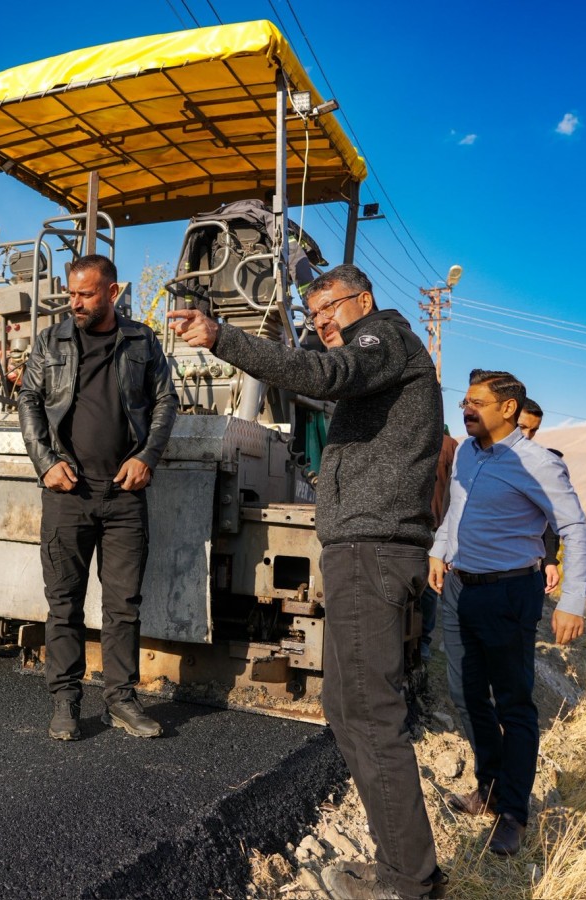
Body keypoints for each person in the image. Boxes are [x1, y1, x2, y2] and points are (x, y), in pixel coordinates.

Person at [170, 264, 445, 900]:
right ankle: (401, 868)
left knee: (373, 718)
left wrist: (222, 338)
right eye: (314, 314)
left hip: (374, 552)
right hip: (362, 549)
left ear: (365, 300)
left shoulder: (386, 340)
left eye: (331, 309)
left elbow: (325, 375)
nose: (322, 322)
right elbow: (325, 386)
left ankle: (411, 884)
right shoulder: (375, 360)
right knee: (349, 711)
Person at [429, 371, 586, 857]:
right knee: (465, 695)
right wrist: (440, 549)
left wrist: (571, 602)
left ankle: (514, 814)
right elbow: (456, 513)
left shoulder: (538, 463)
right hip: (459, 589)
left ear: (508, 409)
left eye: (477, 402)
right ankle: (490, 787)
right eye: (464, 400)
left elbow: (576, 529)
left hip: (509, 593)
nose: (466, 408)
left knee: (514, 705)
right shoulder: (464, 453)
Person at [17, 254, 177, 742]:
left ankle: (120, 700)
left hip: (124, 494)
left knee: (123, 604)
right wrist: (46, 464)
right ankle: (65, 701)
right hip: (68, 492)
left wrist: (147, 455)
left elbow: (166, 400)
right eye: (71, 294)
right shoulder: (52, 340)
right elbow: (28, 397)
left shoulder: (142, 340)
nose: (75, 304)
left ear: (112, 293)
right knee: (63, 603)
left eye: (85, 294)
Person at [420, 426, 459, 661]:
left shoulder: (445, 445)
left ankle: (420, 640)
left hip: (419, 525)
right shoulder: (451, 445)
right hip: (436, 524)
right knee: (428, 587)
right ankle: (423, 639)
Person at [518, 398, 563, 593]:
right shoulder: (472, 455)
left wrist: (551, 560)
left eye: (533, 430)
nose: (527, 436)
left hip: (521, 570)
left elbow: (553, 520)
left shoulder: (538, 466)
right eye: (521, 427)